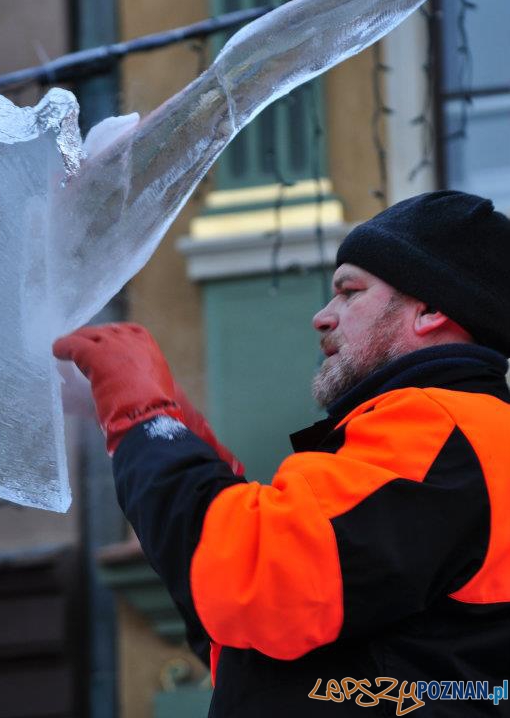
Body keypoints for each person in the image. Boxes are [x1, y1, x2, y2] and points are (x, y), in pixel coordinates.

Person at [53, 191, 510, 716]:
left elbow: (256, 584)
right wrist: (183, 443)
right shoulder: (468, 435)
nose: (322, 316)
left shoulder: (439, 422)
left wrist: (146, 423)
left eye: (349, 292)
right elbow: (259, 641)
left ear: (429, 310)